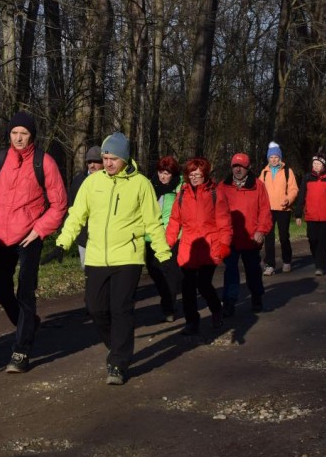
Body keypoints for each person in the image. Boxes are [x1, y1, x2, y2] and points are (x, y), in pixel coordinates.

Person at [47, 133, 173, 385]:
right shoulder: (92, 184)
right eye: (105, 158)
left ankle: (118, 362)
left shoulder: (140, 184)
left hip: (128, 256)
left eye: (113, 158)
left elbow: (153, 223)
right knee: (95, 307)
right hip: (96, 256)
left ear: (124, 158)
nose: (107, 163)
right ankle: (116, 344)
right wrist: (63, 242)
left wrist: (164, 256)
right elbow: (76, 215)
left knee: (121, 308)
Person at [0, 112, 68, 373]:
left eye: (24, 134)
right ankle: (27, 323)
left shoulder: (45, 163)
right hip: (2, 236)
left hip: (30, 236)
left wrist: (40, 229)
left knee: (25, 293)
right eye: (14, 133)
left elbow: (59, 205)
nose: (18, 138)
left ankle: (21, 350)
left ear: (32, 136)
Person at [166, 157, 233, 336]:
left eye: (198, 174)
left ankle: (216, 309)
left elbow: (224, 221)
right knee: (187, 287)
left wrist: (225, 244)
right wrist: (168, 243)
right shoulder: (182, 195)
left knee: (203, 284)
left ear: (205, 175)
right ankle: (191, 322)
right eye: (191, 174)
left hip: (210, 246)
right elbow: (174, 221)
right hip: (188, 247)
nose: (194, 177)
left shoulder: (215, 194)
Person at [217, 152, 272, 315]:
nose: (238, 169)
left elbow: (265, 211)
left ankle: (256, 296)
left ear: (248, 168)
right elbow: (216, 211)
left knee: (253, 270)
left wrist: (261, 230)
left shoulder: (258, 186)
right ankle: (229, 302)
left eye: (241, 166)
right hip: (230, 237)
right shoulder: (223, 186)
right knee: (231, 271)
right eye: (235, 166)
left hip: (251, 238)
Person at [293, 154, 326, 276]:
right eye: (314, 163)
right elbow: (301, 197)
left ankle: (320, 266)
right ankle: (317, 257)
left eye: (318, 164)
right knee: (312, 239)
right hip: (311, 215)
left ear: (323, 166)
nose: (315, 166)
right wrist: (298, 214)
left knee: (323, 241)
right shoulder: (307, 178)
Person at [145, 156, 182, 321]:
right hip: (150, 236)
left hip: (172, 235)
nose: (163, 176)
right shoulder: (148, 185)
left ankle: (169, 307)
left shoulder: (181, 186)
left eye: (167, 173)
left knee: (171, 272)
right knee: (154, 270)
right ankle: (167, 298)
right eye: (161, 172)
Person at [259, 142, 298, 276]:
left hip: (283, 208)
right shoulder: (264, 172)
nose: (274, 159)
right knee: (268, 238)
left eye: (276, 157)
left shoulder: (288, 171)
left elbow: (294, 189)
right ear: (268, 159)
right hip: (268, 209)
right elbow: (259, 191)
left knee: (283, 237)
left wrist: (288, 199)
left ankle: (287, 260)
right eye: (271, 157)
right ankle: (270, 265)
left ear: (280, 158)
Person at [67, 146, 104, 267]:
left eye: (96, 162)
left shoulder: (111, 181)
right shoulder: (78, 181)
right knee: (87, 269)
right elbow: (72, 208)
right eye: (89, 162)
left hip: (104, 237)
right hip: (83, 237)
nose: (92, 165)